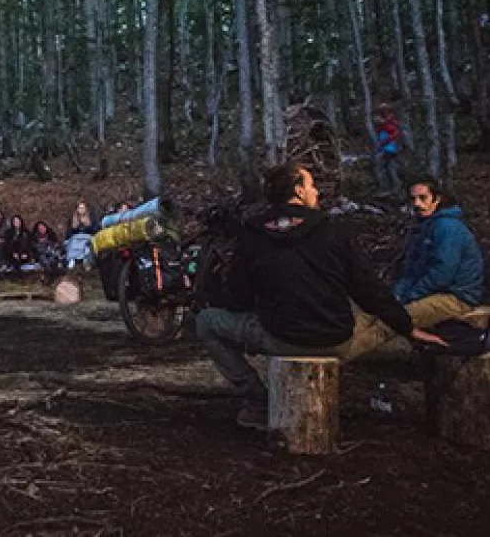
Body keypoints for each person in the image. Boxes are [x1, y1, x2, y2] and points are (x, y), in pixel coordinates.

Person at [195, 162, 445, 430]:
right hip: (336, 339)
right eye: (311, 185)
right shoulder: (332, 231)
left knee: (207, 322)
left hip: (282, 339)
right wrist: (407, 327)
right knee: (369, 320)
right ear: (298, 191)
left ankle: (256, 400)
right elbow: (368, 290)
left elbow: (237, 300)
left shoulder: (254, 236)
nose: (316, 192)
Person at [348, 179, 486, 359]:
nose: (417, 204)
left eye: (423, 198)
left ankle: (342, 357)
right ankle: (336, 344)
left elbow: (442, 273)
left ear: (436, 200)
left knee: (393, 321)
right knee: (371, 311)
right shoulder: (422, 228)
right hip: (430, 291)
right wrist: (396, 295)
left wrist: (410, 296)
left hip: (455, 296)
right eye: (413, 199)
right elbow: (411, 269)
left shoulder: (447, 228)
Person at [374, 105, 406, 197]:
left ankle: (394, 188)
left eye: (384, 111)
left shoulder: (391, 123)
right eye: (381, 111)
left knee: (388, 168)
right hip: (385, 148)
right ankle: (391, 188)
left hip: (390, 148)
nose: (382, 113)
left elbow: (395, 133)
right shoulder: (385, 122)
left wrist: (386, 141)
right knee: (386, 168)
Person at [65, 201, 98, 273]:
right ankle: (72, 259)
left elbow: (95, 230)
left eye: (83, 207)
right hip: (76, 237)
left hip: (87, 236)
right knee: (72, 242)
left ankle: (86, 260)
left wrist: (87, 225)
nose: (81, 209)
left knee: (87, 244)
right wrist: (74, 228)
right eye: (80, 208)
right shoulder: (73, 218)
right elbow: (69, 231)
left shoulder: (90, 217)